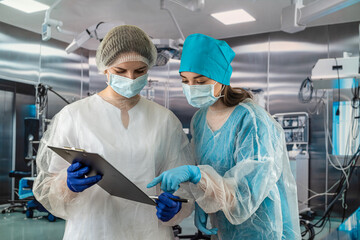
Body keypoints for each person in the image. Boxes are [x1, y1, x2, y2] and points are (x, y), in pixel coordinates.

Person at [33, 25, 194, 240]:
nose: (130, 78)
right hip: (93, 230)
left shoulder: (164, 120)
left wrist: (176, 205)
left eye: (140, 71)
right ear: (105, 69)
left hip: (148, 231)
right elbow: (48, 184)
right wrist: (67, 185)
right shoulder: (74, 116)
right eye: (121, 71)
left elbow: (182, 185)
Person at [147, 33, 301, 239]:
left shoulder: (252, 119)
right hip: (223, 228)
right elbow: (209, 173)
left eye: (200, 81)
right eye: (185, 80)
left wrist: (198, 175)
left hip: (261, 229)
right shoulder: (199, 119)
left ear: (221, 79)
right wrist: (201, 201)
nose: (191, 88)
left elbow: (246, 193)